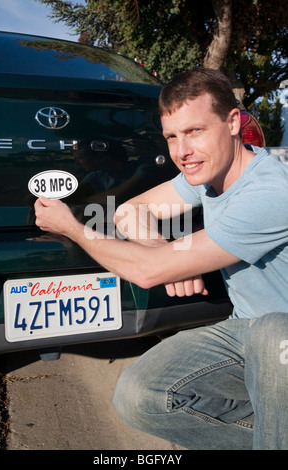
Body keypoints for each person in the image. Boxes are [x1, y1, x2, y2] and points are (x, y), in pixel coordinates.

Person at [34, 67, 288, 450]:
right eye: (172, 136)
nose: (182, 151)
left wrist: (71, 227)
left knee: (273, 332)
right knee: (140, 395)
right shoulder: (209, 175)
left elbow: (147, 274)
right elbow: (130, 211)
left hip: (280, 337)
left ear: (233, 122)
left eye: (195, 131)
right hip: (245, 332)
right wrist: (159, 249)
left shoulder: (269, 193)